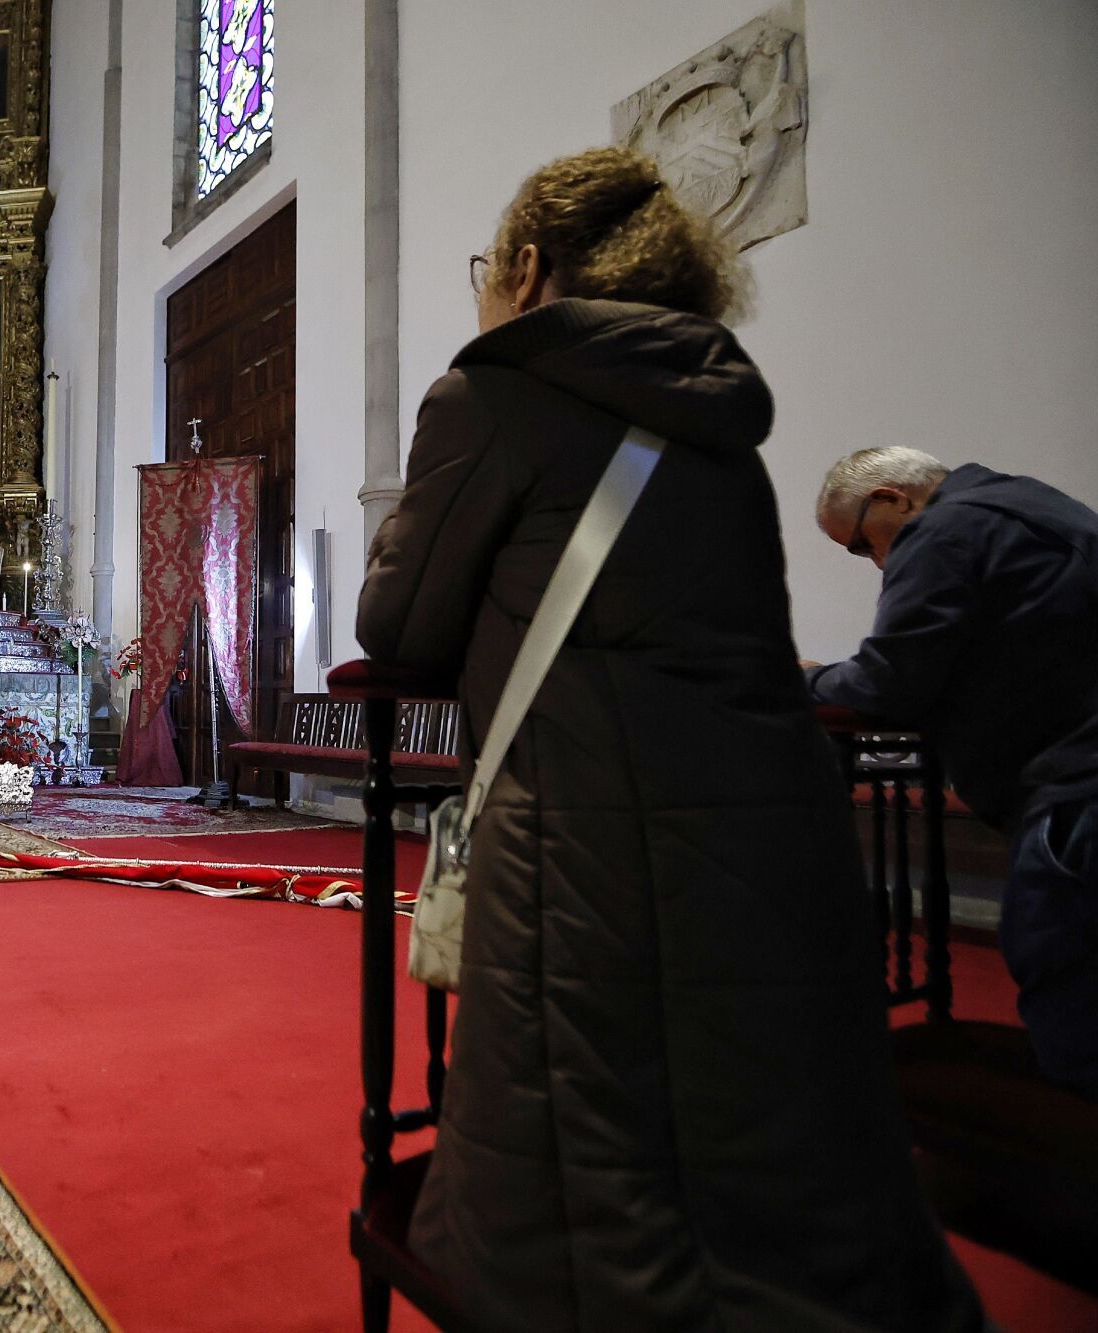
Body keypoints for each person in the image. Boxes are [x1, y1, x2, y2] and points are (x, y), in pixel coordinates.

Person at [357, 146, 981, 1330]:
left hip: (590, 852)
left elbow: (395, 620)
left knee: (609, 1220)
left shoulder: (491, 393)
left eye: (486, 267)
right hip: (773, 848)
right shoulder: (714, 422)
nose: (480, 292)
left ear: (529, 267)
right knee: (780, 1182)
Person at [806, 447, 1098, 1096]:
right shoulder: (1033, 503)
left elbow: (885, 684)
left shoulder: (943, 530)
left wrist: (802, 679)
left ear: (890, 499)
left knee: (1072, 1006)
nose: (878, 563)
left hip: (1073, 797)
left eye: (861, 545)